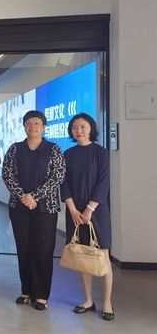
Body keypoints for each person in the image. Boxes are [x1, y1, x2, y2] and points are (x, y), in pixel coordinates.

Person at [2, 110, 65, 310]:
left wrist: (34, 196)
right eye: (29, 123)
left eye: (37, 123)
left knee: (43, 251)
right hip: (19, 208)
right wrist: (23, 196)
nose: (33, 126)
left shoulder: (53, 149)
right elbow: (7, 174)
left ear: (44, 127)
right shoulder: (15, 149)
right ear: (24, 127)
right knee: (24, 249)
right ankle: (26, 291)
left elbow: (58, 175)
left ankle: (41, 295)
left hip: (46, 209)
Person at [61, 113, 114, 320]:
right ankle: (88, 300)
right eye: (75, 128)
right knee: (82, 255)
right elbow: (64, 184)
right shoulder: (68, 154)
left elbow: (103, 182)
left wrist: (89, 209)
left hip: (97, 211)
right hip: (75, 212)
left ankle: (107, 303)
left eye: (83, 127)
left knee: (102, 256)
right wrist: (73, 209)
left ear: (91, 128)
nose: (79, 131)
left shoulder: (101, 153)